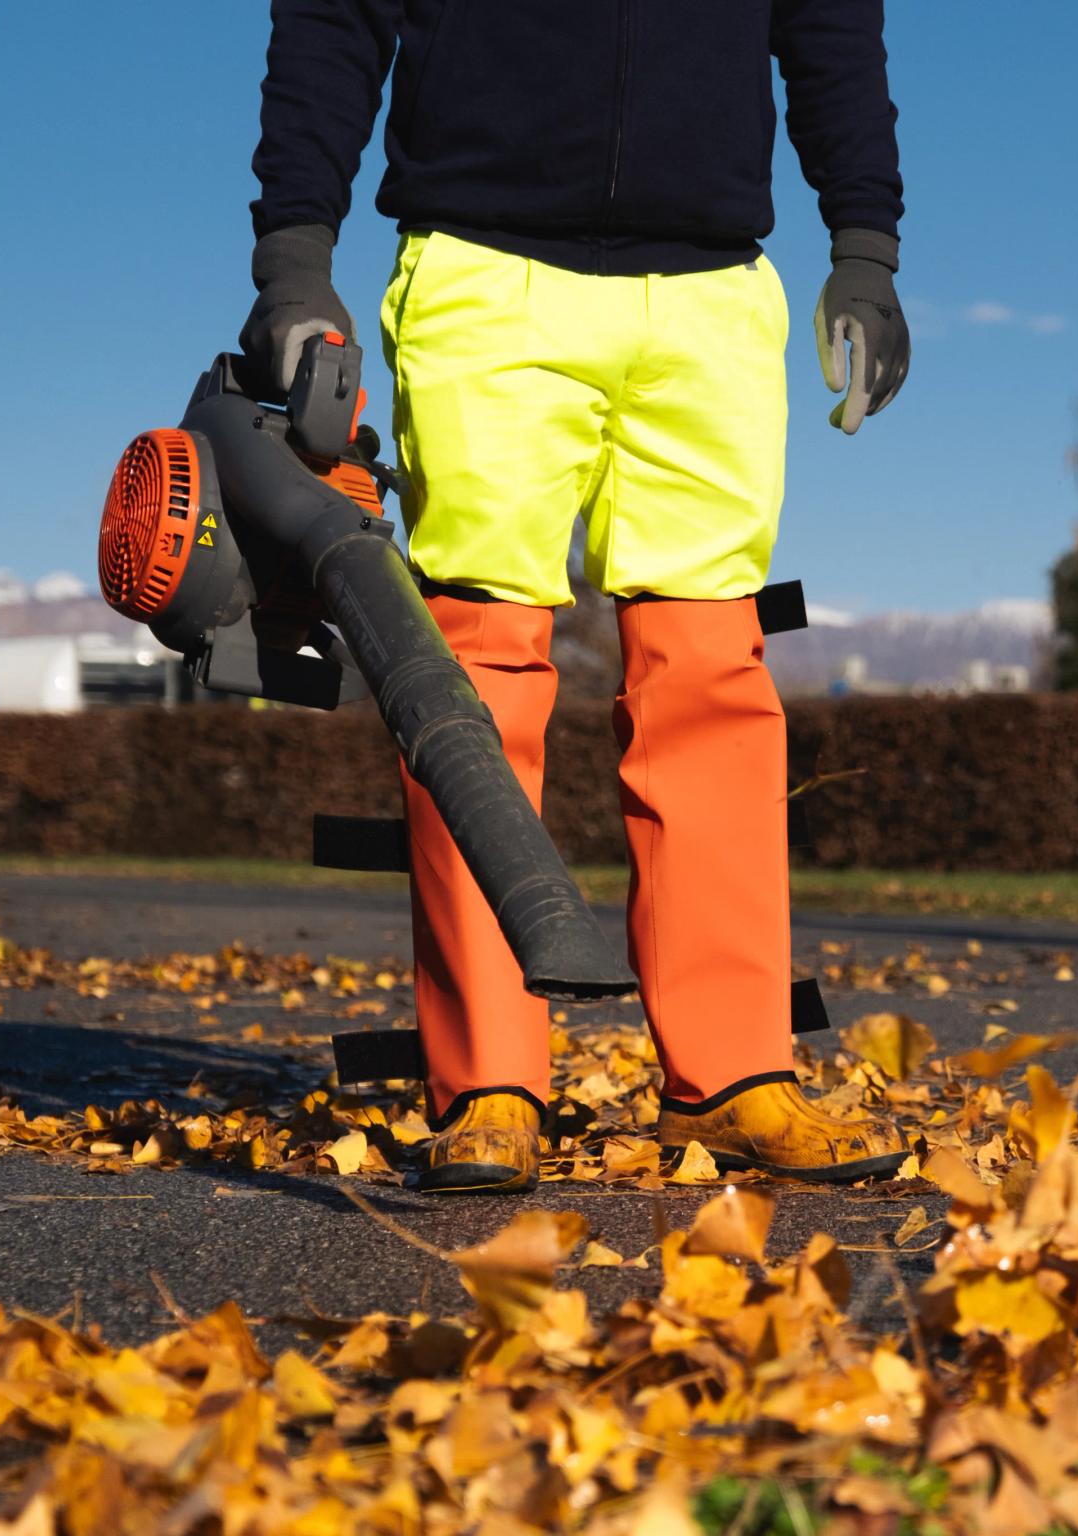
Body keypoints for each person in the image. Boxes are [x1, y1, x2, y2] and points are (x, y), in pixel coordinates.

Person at [242, 0, 912, 1193]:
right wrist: (296, 258)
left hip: (713, 294)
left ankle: (733, 1075)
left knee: (713, 673)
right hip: (485, 275)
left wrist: (865, 247)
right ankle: (489, 1083)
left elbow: (830, 27)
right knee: (473, 678)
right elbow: (333, 17)